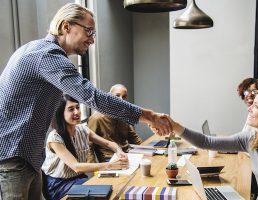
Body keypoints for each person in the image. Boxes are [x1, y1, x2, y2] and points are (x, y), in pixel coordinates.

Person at [0, 3, 171, 199]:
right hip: (12, 156)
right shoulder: (47, 55)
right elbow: (93, 97)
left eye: (94, 33)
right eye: (88, 31)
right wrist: (149, 116)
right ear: (66, 26)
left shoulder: (40, 51)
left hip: (28, 157)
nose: (92, 39)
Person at [166, 86, 258, 199]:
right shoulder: (252, 139)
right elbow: (206, 141)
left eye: (257, 106)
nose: (249, 109)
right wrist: (174, 126)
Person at [42, 95, 128, 200]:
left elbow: (108, 144)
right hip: (58, 185)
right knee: (103, 194)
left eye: (77, 107)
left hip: (78, 179)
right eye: (71, 109)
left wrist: (119, 151)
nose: (77, 112)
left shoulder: (82, 130)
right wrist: (110, 165)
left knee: (112, 188)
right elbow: (76, 167)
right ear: (60, 113)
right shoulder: (55, 138)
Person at [87, 84, 142, 162]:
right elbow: (89, 145)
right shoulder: (96, 118)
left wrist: (146, 151)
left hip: (127, 155)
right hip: (109, 159)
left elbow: (133, 138)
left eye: (124, 97)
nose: (121, 100)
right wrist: (93, 167)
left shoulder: (124, 115)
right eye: (117, 96)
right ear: (109, 97)